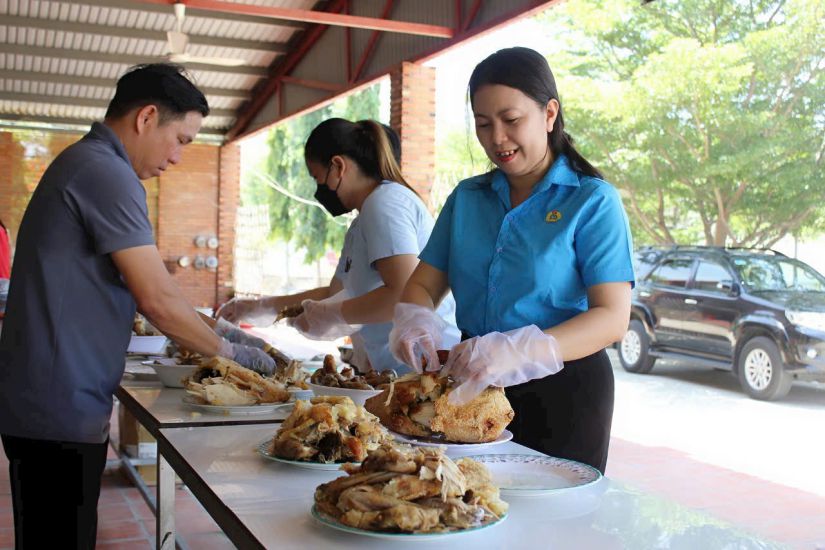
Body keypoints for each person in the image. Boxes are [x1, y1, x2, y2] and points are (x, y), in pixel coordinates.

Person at [0, 63, 275, 549]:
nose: (176, 158)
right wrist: (233, 359)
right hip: (56, 406)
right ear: (147, 117)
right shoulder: (105, 172)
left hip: (52, 400)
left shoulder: (89, 164)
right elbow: (158, 301)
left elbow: (154, 291)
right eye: (182, 140)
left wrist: (222, 331)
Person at [389, 47, 634, 473]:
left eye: (511, 120)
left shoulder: (591, 201)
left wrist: (522, 351)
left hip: (564, 388)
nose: (496, 138)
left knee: (551, 527)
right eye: (483, 125)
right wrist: (414, 320)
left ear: (549, 113)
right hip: (471, 386)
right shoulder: (467, 198)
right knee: (462, 508)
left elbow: (612, 317)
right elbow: (424, 283)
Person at [218, 118, 458, 374]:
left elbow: (403, 295)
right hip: (396, 367)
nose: (320, 189)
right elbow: (335, 292)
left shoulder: (385, 204)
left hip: (425, 365)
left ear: (338, 166)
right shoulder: (363, 219)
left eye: (318, 177)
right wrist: (260, 307)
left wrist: (334, 315)